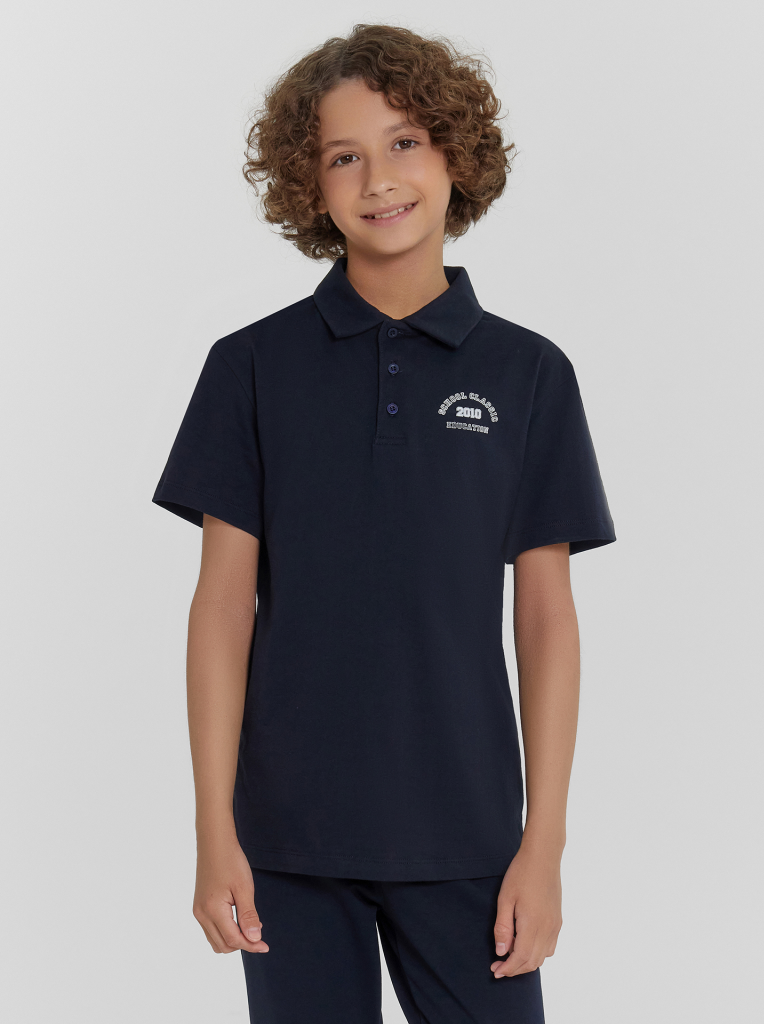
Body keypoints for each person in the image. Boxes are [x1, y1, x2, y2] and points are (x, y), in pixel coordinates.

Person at [152, 23, 616, 1024]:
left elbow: (546, 618)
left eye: (404, 142)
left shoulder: (530, 375)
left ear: (454, 152)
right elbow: (222, 608)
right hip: (288, 842)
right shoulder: (251, 368)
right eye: (343, 156)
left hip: (469, 837)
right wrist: (212, 829)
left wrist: (544, 844)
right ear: (308, 183)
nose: (379, 179)